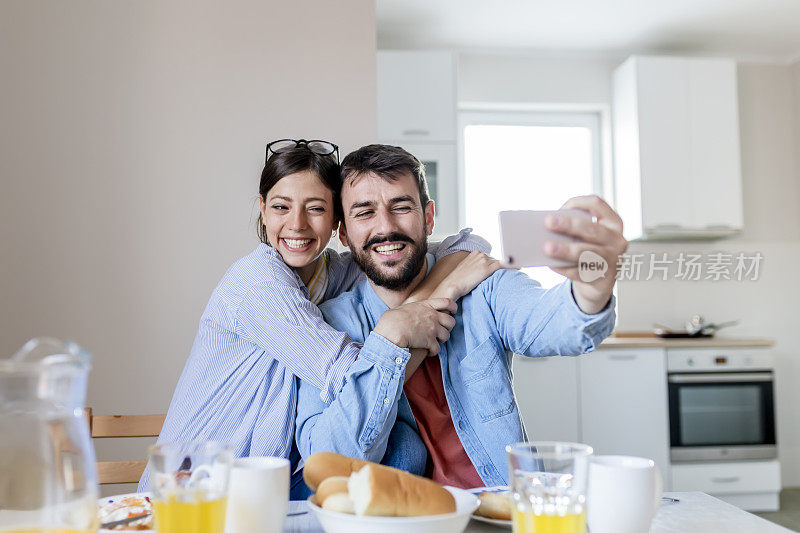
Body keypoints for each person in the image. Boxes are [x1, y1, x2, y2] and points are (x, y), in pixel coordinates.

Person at [137, 139, 490, 496]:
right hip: (199, 486)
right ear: (262, 209)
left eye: (315, 209)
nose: (297, 224)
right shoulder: (256, 283)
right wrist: (397, 330)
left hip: (271, 474)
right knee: (395, 444)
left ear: (338, 219)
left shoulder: (332, 274)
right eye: (281, 207)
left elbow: (457, 248)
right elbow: (350, 378)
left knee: (401, 446)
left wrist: (446, 286)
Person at [295, 144, 629, 488]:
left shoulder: (481, 286)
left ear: (428, 217)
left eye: (401, 206)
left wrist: (592, 287)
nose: (386, 227)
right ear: (345, 234)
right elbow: (326, 459)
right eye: (365, 212)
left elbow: (558, 325)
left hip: (497, 511)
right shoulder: (327, 326)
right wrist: (388, 340)